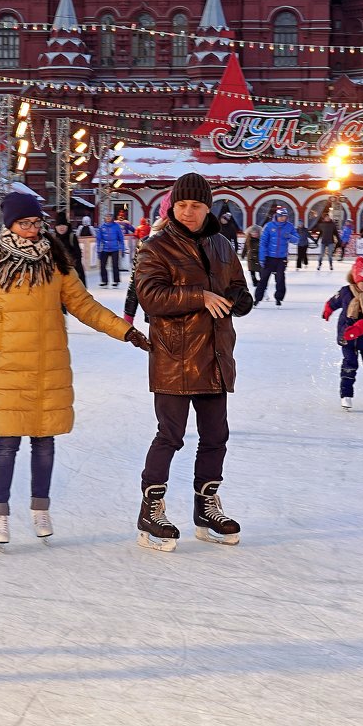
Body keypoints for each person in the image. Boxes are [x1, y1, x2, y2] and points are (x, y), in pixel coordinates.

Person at [0, 193, 151, 547]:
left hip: (49, 367)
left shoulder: (56, 263)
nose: (30, 230)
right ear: (10, 224)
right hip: (8, 369)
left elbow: (84, 306)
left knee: (44, 442)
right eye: (24, 224)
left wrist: (125, 331)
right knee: (7, 443)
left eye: (35, 223)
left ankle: (40, 508)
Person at [133, 172, 252, 552]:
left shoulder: (221, 245)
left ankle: (206, 507)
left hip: (215, 354)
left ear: (207, 207)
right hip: (174, 356)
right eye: (182, 205)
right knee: (170, 434)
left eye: (196, 205)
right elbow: (150, 295)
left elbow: (237, 285)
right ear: (172, 206)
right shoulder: (156, 247)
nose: (188, 212)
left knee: (216, 436)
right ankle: (151, 508)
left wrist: (241, 299)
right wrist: (199, 296)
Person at [323, 256, 363, 411]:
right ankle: (346, 395)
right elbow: (334, 301)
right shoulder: (346, 292)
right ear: (355, 280)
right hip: (347, 337)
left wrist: (357, 329)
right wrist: (328, 309)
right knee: (349, 365)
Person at [124, 192, 170, 325]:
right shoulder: (147, 243)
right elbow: (136, 280)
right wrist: (128, 315)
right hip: (157, 315)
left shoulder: (198, 242)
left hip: (192, 321)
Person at [254, 206, 297, 305]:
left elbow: (296, 239)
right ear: (277, 216)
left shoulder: (289, 226)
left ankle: (279, 298)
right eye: (281, 216)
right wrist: (262, 257)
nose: (283, 218)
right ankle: (257, 298)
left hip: (281, 258)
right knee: (264, 278)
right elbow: (263, 243)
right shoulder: (269, 226)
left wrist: (290, 236)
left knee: (280, 279)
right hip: (269, 258)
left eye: (285, 216)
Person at [52, 213, 86, 286]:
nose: (61, 227)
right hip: (57, 272)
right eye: (59, 225)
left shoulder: (72, 237)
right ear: (56, 227)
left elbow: (78, 255)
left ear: (67, 226)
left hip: (72, 270)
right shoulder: (53, 238)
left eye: (63, 225)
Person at [96, 213, 126, 287]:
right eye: (107, 216)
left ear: (112, 218)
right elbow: (98, 239)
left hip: (114, 248)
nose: (108, 218)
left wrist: (122, 249)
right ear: (105, 218)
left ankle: (116, 281)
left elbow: (121, 238)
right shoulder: (102, 227)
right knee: (103, 265)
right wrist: (98, 250)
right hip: (105, 248)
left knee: (115, 265)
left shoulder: (116, 226)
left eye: (110, 217)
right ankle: (104, 280)